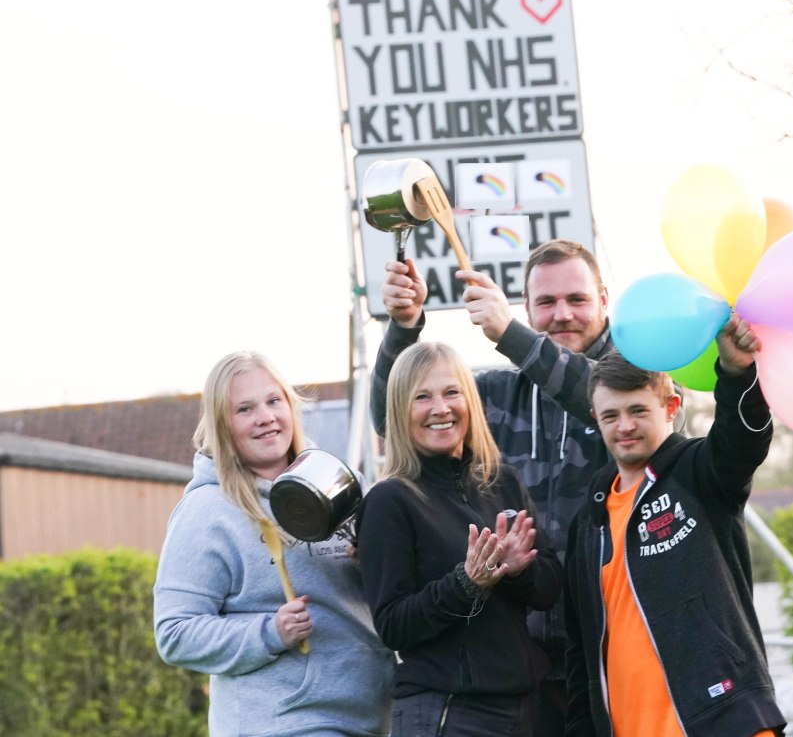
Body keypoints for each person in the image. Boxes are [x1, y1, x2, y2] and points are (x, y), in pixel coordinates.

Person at [372, 239, 618, 735]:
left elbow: (606, 398)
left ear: (604, 300)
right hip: (518, 668)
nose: (562, 314)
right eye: (545, 303)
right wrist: (403, 328)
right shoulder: (494, 394)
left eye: (577, 299)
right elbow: (395, 416)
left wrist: (512, 334)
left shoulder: (635, 383)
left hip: (608, 651)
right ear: (528, 306)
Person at [564, 315, 787, 737]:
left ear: (670, 408)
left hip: (724, 721)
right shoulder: (587, 520)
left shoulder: (699, 472)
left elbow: (742, 440)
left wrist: (738, 373)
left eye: (638, 410)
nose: (624, 426)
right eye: (610, 415)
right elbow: (580, 652)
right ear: (595, 418)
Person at [154, 351, 395, 737]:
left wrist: (377, 562)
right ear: (222, 425)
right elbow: (175, 633)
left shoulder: (338, 483)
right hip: (282, 723)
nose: (265, 417)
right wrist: (269, 633)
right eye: (244, 409)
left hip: (374, 716)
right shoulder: (207, 511)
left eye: (273, 401)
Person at [356, 341, 564, 737]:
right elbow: (394, 626)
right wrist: (466, 584)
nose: (440, 408)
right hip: (447, 711)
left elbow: (548, 590)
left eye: (452, 392)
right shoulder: (390, 500)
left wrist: (521, 571)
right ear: (400, 410)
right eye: (422, 396)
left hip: (524, 708)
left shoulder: (502, 481)